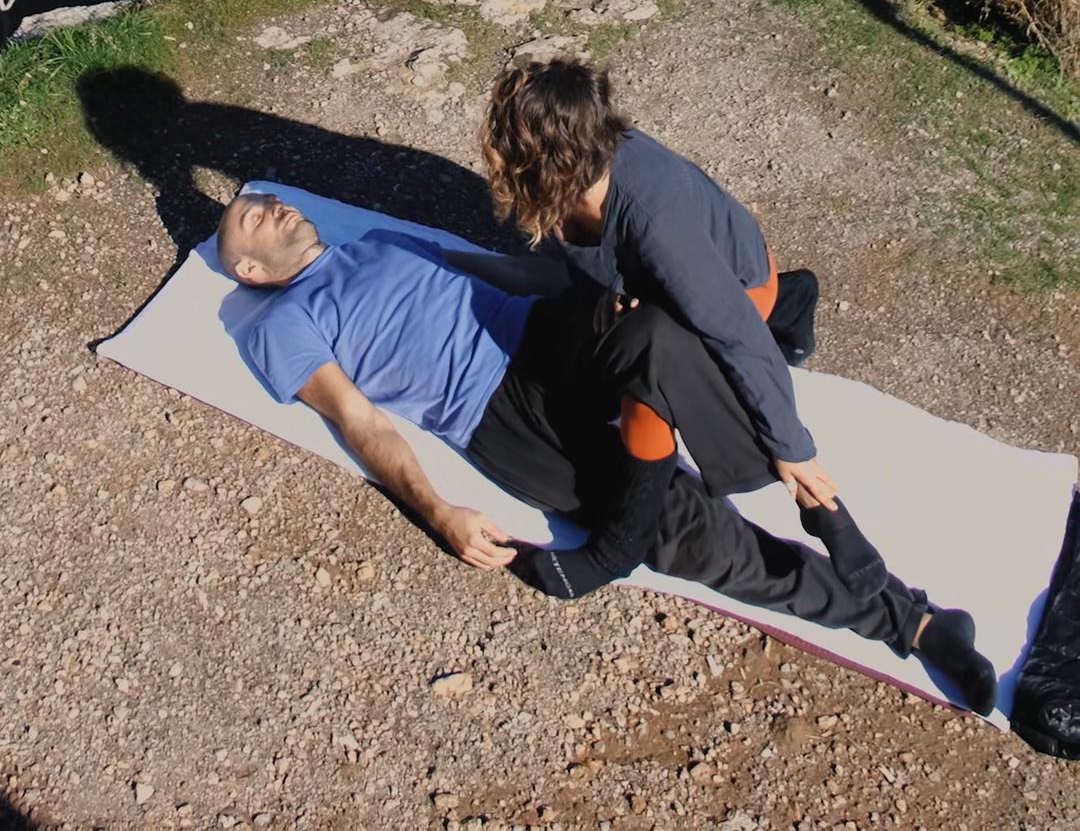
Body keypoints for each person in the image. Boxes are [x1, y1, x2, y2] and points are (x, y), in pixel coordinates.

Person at [215, 190, 999, 714]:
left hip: (541, 330)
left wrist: (587, 288)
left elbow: (494, 269)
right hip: (498, 416)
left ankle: (768, 361)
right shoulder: (281, 324)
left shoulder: (375, 240)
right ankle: (913, 623)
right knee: (682, 534)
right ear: (248, 270)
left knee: (653, 329)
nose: (272, 206)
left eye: (264, 201)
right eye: (252, 218)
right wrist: (438, 511)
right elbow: (359, 421)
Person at [482, 57, 885, 599]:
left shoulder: (657, 220)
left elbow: (736, 334)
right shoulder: (568, 184)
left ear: (554, 158)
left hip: (736, 289)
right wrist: (606, 295)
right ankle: (794, 302)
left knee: (650, 368)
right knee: (609, 342)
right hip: (672, 277)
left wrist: (793, 447)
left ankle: (624, 547)